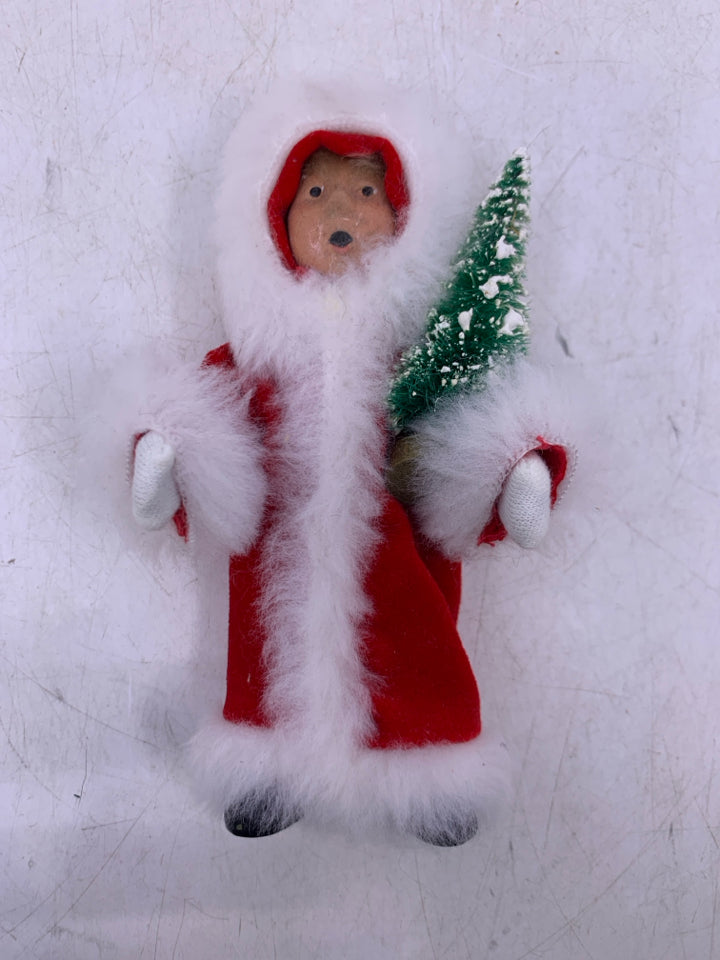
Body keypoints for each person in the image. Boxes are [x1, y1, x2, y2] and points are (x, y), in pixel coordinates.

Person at [129, 82, 574, 845]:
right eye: (318, 192)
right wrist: (164, 451)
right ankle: (271, 771)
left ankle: (433, 777)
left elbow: (474, 419)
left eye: (366, 191)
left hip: (398, 567)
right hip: (278, 566)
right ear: (273, 218)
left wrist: (519, 467)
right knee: (269, 668)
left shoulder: (417, 364)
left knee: (415, 661)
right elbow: (198, 410)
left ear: (404, 216)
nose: (341, 212)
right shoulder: (257, 361)